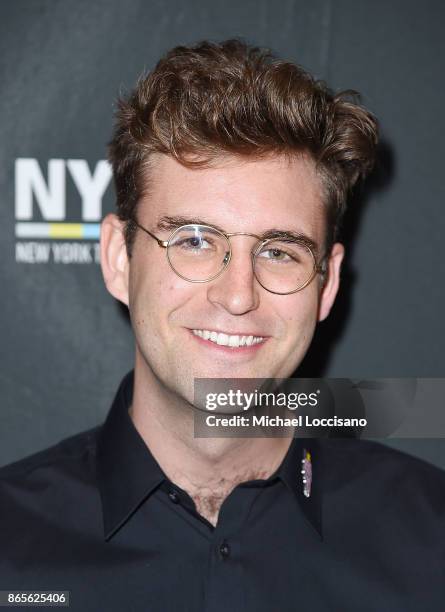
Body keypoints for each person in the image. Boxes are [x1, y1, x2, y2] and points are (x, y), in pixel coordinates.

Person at [1, 39, 444, 612]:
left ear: (326, 284)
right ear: (118, 257)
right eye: (193, 241)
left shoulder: (431, 542)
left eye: (280, 252)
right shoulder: (10, 545)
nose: (238, 296)